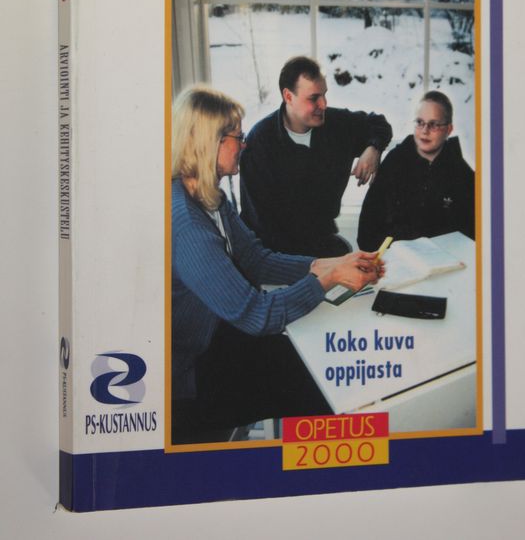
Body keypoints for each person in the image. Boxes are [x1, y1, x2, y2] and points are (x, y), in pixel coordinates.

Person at [171, 85, 382, 444]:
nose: (244, 144)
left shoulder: (210, 198)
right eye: (237, 137)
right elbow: (257, 314)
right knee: (322, 384)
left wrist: (331, 262)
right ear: (210, 142)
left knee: (320, 363)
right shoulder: (188, 224)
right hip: (193, 377)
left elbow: (257, 259)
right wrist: (329, 277)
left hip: (218, 336)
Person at [239, 56, 392, 257]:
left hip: (322, 244)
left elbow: (379, 124)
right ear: (288, 96)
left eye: (324, 95)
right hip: (274, 255)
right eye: (314, 98)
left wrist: (373, 148)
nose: (323, 104)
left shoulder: (336, 124)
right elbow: (260, 224)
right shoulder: (259, 142)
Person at [357, 90, 475, 250]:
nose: (425, 130)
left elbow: (473, 232)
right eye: (420, 122)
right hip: (395, 256)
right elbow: (368, 228)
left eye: (434, 124)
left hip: (445, 257)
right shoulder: (394, 163)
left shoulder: (461, 173)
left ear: (448, 129)